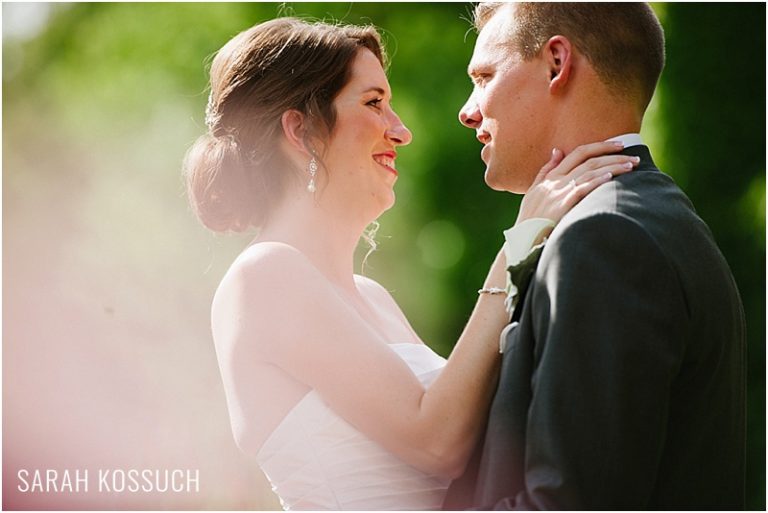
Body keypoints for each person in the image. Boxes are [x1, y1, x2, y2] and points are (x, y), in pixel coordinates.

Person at [183, 17, 640, 511]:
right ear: (301, 130)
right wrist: (519, 244)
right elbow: (435, 442)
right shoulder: (264, 277)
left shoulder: (371, 296)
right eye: (374, 103)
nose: (401, 131)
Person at [444, 3, 746, 510]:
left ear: (557, 63)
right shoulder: (658, 215)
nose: (467, 109)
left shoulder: (605, 238)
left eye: (484, 76)